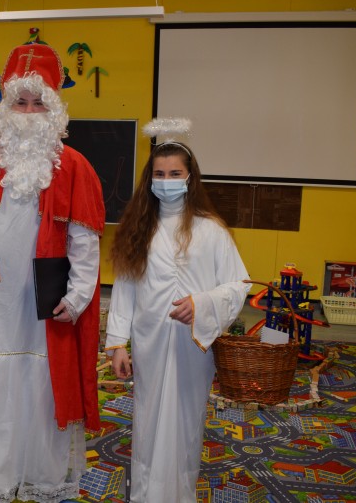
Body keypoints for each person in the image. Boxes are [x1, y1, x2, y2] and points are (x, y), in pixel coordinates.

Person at [0, 43, 105, 503]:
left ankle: (42, 479)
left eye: (39, 103)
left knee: (44, 389)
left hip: (47, 309)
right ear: (6, 107)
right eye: (21, 102)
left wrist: (77, 297)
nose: (30, 113)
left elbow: (85, 243)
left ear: (54, 109)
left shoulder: (75, 168)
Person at [105, 118, 249, 503]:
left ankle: (179, 494)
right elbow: (124, 290)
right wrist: (118, 344)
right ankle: (146, 494)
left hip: (192, 345)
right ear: (149, 179)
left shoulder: (212, 231)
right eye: (159, 174)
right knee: (148, 418)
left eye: (174, 174)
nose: (166, 180)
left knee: (185, 420)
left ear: (190, 178)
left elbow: (239, 284)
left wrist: (202, 305)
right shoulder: (138, 229)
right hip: (149, 343)